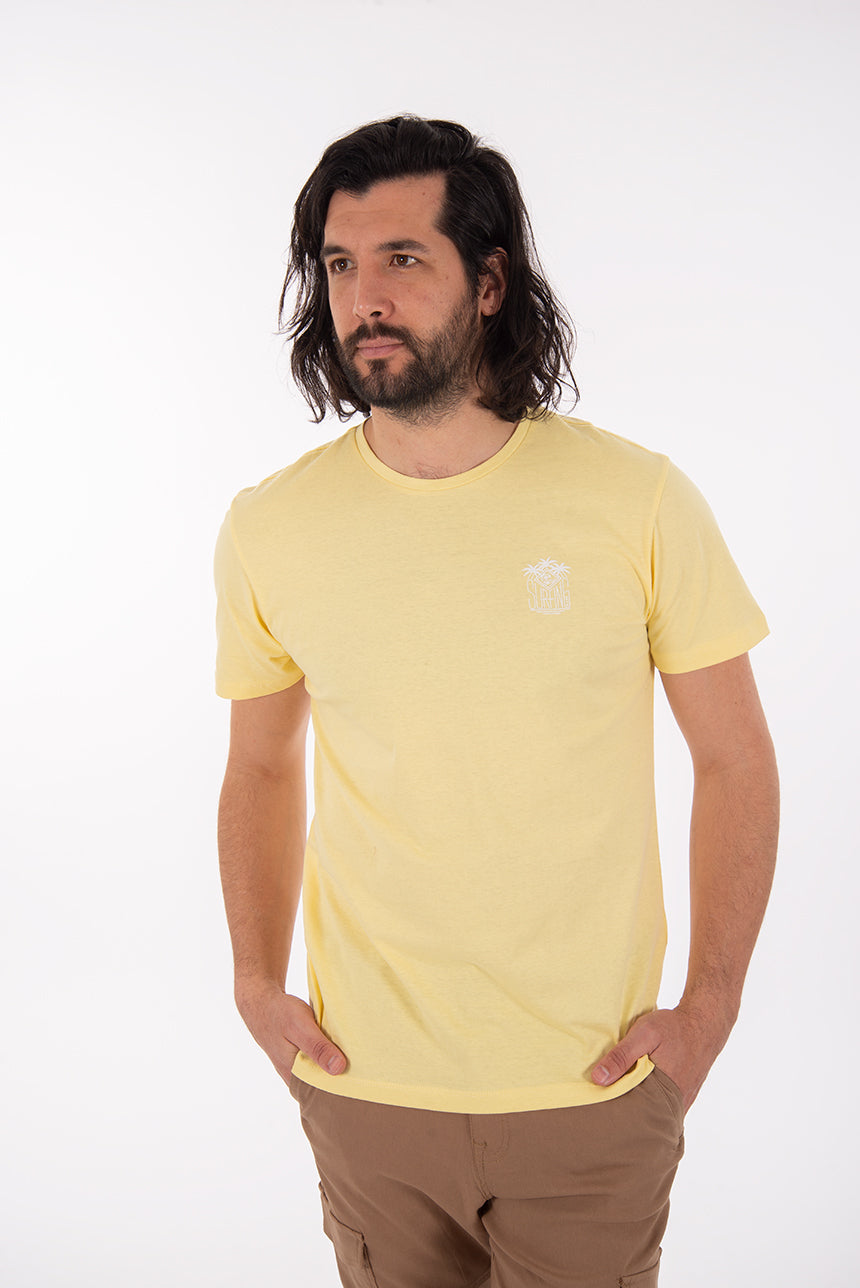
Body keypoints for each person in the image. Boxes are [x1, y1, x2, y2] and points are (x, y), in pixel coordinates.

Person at [214, 115, 779, 1288]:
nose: (363, 296)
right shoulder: (271, 526)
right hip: (364, 1087)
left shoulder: (634, 500)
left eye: (401, 258)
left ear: (486, 281)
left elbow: (732, 756)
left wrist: (707, 1010)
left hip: (590, 1091)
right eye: (338, 263)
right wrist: (257, 986)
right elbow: (261, 765)